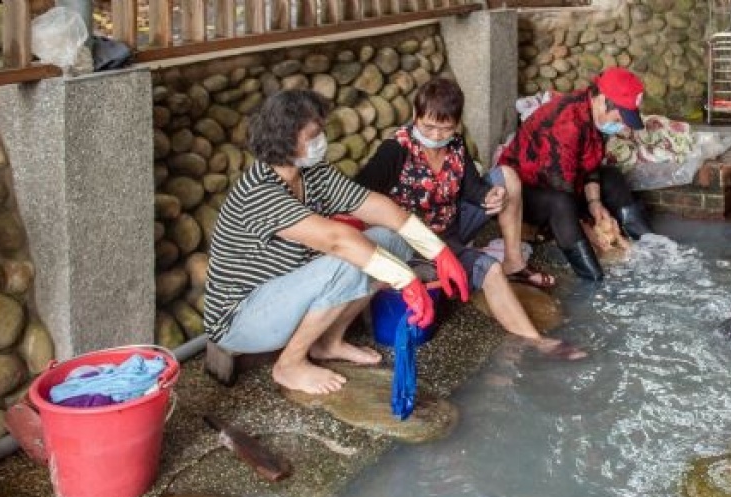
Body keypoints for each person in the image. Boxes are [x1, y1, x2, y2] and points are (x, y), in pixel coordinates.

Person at [204, 89, 470, 395]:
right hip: (242, 318)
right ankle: (289, 365)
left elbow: (375, 205)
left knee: (389, 239)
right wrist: (406, 280)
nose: (322, 140)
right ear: (286, 139)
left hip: (289, 289)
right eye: (314, 134)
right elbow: (336, 240)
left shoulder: (310, 172)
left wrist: (439, 251)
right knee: (348, 258)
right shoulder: (259, 191)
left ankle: (328, 342)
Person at [356, 77, 586, 360]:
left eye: (446, 128)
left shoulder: (455, 146)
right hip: (418, 243)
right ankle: (536, 340)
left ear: (456, 124)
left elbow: (472, 187)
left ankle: (517, 269)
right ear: (415, 116)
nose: (437, 136)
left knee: (507, 178)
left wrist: (489, 197)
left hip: (452, 226)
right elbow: (358, 195)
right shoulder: (396, 151)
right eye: (428, 127)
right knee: (490, 270)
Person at [496, 67, 655, 282]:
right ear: (602, 100)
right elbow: (560, 187)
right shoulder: (567, 123)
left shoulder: (596, 115)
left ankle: (651, 245)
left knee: (613, 178)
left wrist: (595, 204)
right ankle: (593, 277)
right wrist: (595, 234)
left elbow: (590, 165)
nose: (619, 126)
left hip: (565, 180)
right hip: (524, 192)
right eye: (618, 119)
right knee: (561, 204)